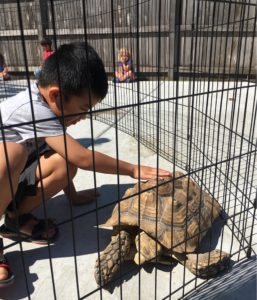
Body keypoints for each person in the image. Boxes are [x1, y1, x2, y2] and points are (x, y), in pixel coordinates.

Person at [0, 42, 171, 286]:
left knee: (65, 165)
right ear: (56, 96)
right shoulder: (32, 109)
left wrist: (73, 195)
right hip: (4, 169)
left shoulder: (46, 107)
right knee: (13, 154)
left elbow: (69, 158)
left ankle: (15, 219)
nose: (83, 117)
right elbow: (82, 156)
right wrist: (132, 169)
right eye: (82, 109)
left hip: (10, 181)